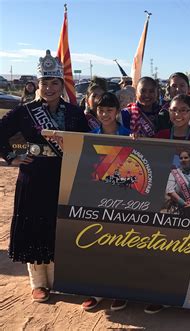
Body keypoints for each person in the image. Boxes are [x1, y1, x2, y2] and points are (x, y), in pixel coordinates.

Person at [0, 50, 89, 303]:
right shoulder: (25, 111)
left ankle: (60, 278)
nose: (49, 88)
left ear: (62, 85)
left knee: (59, 226)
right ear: (37, 85)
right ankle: (38, 283)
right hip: (34, 175)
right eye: (44, 83)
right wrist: (11, 156)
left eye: (54, 83)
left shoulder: (73, 113)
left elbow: (87, 142)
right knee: (34, 225)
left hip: (64, 176)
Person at [81, 92, 130, 312]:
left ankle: (121, 292)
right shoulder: (90, 137)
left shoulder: (130, 136)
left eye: (109, 110)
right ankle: (97, 292)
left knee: (122, 245)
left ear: (117, 112)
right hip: (99, 197)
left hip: (124, 198)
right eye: (101, 110)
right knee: (98, 243)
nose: (105, 114)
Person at [165, 150, 190, 217]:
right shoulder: (174, 173)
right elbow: (170, 190)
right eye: (181, 158)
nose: (183, 160)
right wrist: (183, 203)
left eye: (186, 158)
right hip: (177, 209)